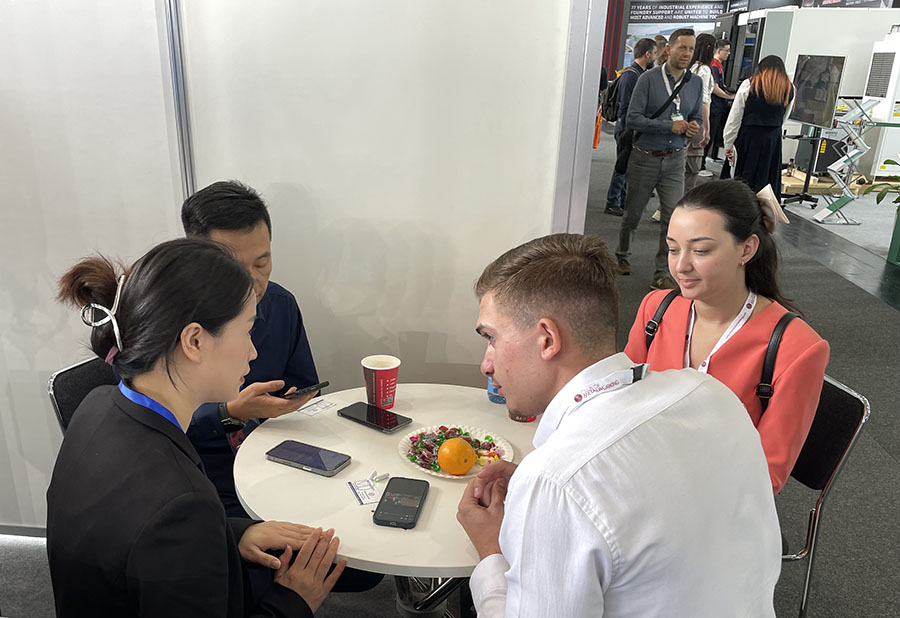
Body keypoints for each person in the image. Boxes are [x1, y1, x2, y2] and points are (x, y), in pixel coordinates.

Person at [456, 233, 781, 618]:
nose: (486, 364)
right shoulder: (710, 393)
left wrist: (491, 553)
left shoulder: (556, 483)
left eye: (491, 338)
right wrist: (540, 493)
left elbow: (579, 486)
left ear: (547, 339)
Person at [48, 239, 346, 617]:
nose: (253, 352)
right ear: (194, 341)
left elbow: (135, 539)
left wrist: (231, 534)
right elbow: (165, 520)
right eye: (247, 330)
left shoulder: (98, 405)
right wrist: (294, 599)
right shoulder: (183, 504)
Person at [625, 180, 829, 493]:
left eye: (700, 251)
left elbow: (767, 474)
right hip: (638, 477)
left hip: (714, 499)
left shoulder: (797, 347)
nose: (681, 266)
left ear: (746, 249)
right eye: (673, 249)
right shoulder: (656, 309)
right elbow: (623, 400)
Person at [182, 181, 320, 518]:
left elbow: (305, 389)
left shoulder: (280, 305)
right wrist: (230, 412)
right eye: (232, 267)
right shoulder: (164, 317)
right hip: (197, 475)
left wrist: (293, 401)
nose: (251, 282)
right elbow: (147, 422)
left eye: (261, 264)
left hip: (273, 458)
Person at [615, 29, 704, 290]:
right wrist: (669, 126)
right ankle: (622, 255)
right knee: (633, 214)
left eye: (691, 49)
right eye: (682, 48)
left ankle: (662, 271)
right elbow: (632, 118)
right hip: (644, 157)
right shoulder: (648, 79)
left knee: (672, 219)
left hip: (675, 160)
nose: (687, 53)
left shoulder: (695, 83)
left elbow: (696, 116)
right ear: (669, 49)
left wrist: (694, 127)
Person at [724, 55, 795, 201]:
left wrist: (728, 144)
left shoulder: (750, 84)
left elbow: (735, 117)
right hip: (772, 140)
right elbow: (784, 117)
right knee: (767, 179)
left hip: (749, 138)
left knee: (743, 178)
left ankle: (740, 207)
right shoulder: (789, 88)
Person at [604, 38, 657, 217]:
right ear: (647, 54)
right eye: (654, 53)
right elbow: (626, 108)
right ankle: (612, 202)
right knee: (622, 165)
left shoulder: (638, 75)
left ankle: (621, 200)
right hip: (627, 127)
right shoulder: (631, 76)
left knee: (628, 167)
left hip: (631, 127)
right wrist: (631, 129)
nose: (655, 57)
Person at [684, 33, 716, 193]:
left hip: (684, 118)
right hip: (697, 122)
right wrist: (707, 129)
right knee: (692, 168)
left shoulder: (690, 67)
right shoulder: (704, 70)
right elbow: (704, 101)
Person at [706, 39, 735, 170]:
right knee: (709, 135)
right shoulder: (714, 65)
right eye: (726, 51)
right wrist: (731, 97)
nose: (728, 53)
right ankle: (701, 164)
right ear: (719, 51)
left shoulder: (719, 66)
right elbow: (715, 88)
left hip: (718, 107)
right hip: (713, 107)